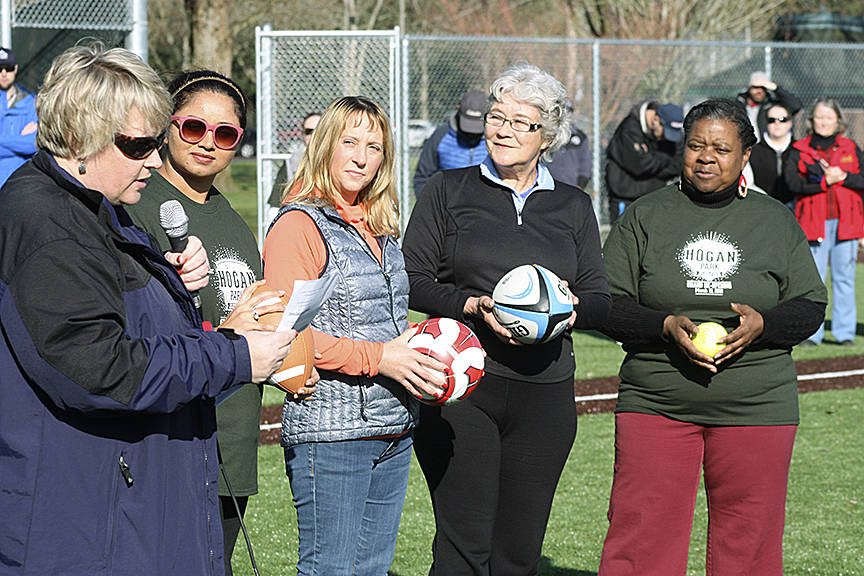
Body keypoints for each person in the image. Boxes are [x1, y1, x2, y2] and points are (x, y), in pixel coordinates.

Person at [0, 43, 297, 575]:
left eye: (157, 143)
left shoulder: (100, 208)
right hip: (81, 526)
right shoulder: (46, 225)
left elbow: (119, 318)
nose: (156, 160)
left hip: (121, 512)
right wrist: (234, 356)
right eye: (139, 145)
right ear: (78, 140)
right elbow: (100, 371)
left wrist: (168, 286)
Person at [598, 98, 827, 575]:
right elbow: (606, 303)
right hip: (657, 402)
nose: (706, 157)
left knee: (749, 544)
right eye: (696, 146)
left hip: (757, 406)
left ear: (746, 155)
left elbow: (809, 306)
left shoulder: (774, 220)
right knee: (642, 539)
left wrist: (764, 326)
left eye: (721, 148)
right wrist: (662, 326)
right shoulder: (645, 215)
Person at [402, 64, 610, 575]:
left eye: (521, 121)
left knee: (518, 553)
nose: (503, 129)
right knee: (463, 545)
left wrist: (565, 308)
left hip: (546, 393)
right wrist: (472, 306)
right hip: (463, 387)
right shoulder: (448, 191)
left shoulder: (574, 205)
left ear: (549, 136)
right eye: (497, 117)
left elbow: (598, 297)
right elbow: (412, 280)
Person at [125, 70, 315, 575]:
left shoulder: (228, 214)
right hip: (174, 434)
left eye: (226, 134)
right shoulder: (136, 206)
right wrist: (227, 331)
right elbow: (138, 339)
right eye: (193, 128)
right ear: (168, 126)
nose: (208, 143)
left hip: (232, 433)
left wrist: (287, 359)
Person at [262, 96, 446, 575]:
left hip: (395, 428)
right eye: (350, 142)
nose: (362, 157)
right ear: (325, 146)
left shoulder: (381, 225)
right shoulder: (298, 225)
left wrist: (422, 349)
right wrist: (379, 358)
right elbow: (285, 332)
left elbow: (382, 322)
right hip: (331, 434)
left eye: (375, 146)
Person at [784, 98, 864, 347]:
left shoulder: (850, 147)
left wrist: (843, 177)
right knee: (812, 283)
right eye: (819, 116)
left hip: (846, 224)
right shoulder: (799, 149)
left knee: (844, 279)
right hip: (812, 223)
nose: (824, 121)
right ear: (811, 120)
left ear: (838, 120)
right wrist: (823, 183)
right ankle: (812, 334)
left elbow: (861, 180)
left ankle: (844, 334)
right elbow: (792, 184)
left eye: (829, 117)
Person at [605, 100, 684, 223]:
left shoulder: (670, 132)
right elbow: (639, 165)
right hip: (625, 197)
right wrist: (666, 157)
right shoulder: (629, 129)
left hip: (654, 197)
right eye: (665, 133)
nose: (666, 139)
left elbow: (678, 164)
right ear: (656, 120)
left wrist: (650, 157)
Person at [413, 88, 488, 197]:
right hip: (446, 208)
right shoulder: (440, 136)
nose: (471, 133)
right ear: (458, 110)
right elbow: (422, 177)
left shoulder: (494, 140)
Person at [266, 111, 320, 222]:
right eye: (309, 131)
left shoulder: (340, 163)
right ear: (303, 134)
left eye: (319, 131)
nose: (314, 135)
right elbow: (274, 207)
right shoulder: (291, 165)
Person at [0, 47, 37, 187]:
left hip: (20, 183)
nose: (4, 73)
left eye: (8, 68)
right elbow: (25, 145)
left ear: (15, 69)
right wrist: (19, 140)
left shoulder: (30, 102)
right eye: (0, 68)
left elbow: (33, 144)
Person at [744, 103, 795, 204]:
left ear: (790, 123)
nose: (777, 123)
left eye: (782, 119)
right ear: (766, 123)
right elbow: (749, 184)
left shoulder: (799, 149)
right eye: (772, 120)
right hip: (763, 206)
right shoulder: (753, 152)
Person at [735, 71, 802, 142]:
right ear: (749, 88)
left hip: (765, 148)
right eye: (756, 87)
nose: (759, 91)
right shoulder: (739, 105)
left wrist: (776, 88)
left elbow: (796, 106)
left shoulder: (770, 105)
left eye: (763, 87)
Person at [545, 99, 592, 189]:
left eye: (568, 111)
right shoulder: (548, 134)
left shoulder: (580, 137)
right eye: (562, 111)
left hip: (572, 185)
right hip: (549, 184)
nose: (566, 115)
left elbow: (585, 162)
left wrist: (581, 184)